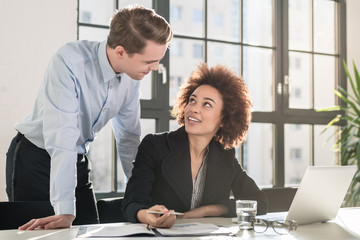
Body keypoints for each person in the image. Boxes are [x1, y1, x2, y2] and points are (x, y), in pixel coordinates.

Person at [5, 4, 172, 230]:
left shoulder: (133, 76)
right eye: (148, 62)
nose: (154, 68)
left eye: (157, 60)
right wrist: (65, 210)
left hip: (77, 159)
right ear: (121, 51)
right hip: (34, 157)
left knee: (89, 231)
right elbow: (62, 137)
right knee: (37, 234)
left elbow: (129, 138)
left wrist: (142, 196)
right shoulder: (70, 61)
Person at [122, 63, 268, 228]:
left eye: (207, 104)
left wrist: (209, 210)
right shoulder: (155, 146)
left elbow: (259, 202)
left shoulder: (224, 155)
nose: (194, 109)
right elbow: (132, 203)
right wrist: (147, 216)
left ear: (224, 119)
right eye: (192, 100)